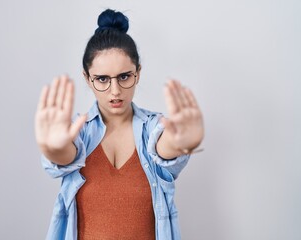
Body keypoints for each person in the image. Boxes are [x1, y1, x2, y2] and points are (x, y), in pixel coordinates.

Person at [35, 9, 204, 240]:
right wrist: (54, 150)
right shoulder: (78, 131)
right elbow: (66, 153)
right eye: (102, 79)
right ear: (87, 78)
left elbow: (163, 149)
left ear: (138, 73)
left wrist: (179, 143)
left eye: (124, 76)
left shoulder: (153, 128)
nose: (115, 91)